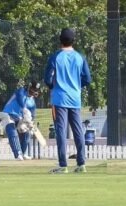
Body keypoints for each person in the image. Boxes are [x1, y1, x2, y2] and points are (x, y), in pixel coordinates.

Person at [44, 28, 92, 174]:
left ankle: (63, 165)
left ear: (60, 40)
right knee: (78, 130)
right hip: (75, 98)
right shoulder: (80, 57)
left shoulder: (55, 57)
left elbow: (47, 79)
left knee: (61, 131)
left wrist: (53, 86)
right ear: (74, 41)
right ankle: (82, 164)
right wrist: (77, 85)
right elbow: (87, 79)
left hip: (60, 98)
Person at [0, 81, 41, 161]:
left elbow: (33, 114)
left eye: (35, 90)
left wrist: (31, 122)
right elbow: (19, 98)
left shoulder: (32, 102)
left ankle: (23, 153)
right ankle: (17, 154)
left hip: (19, 118)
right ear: (29, 87)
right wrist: (24, 109)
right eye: (33, 89)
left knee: (26, 131)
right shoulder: (21, 91)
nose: (34, 92)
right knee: (12, 131)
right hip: (7, 114)